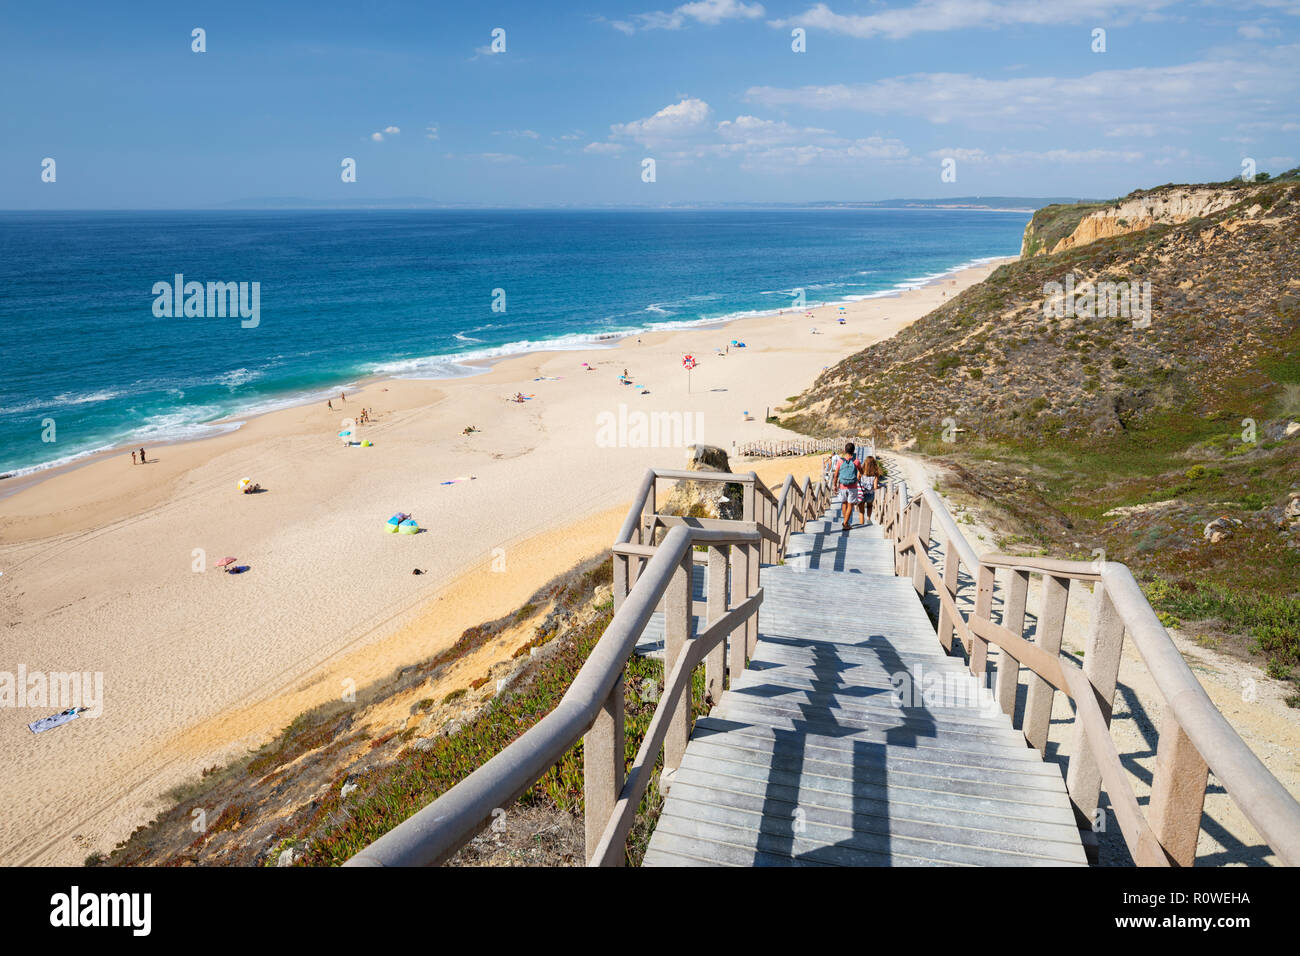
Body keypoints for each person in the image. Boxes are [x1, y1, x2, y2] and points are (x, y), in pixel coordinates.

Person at [830, 442, 861, 531]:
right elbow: (861, 471)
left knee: (844, 503)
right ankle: (845, 523)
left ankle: (846, 522)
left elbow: (836, 475)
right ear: (853, 451)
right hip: (853, 486)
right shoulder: (856, 461)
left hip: (842, 485)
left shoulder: (840, 461)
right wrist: (858, 476)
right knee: (850, 505)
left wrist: (835, 485)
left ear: (845, 450)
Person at [859, 456, 882, 526]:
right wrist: (880, 486)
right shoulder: (875, 474)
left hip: (861, 493)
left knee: (861, 510)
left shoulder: (861, 472)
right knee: (869, 506)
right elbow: (875, 487)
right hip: (870, 494)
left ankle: (862, 523)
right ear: (874, 464)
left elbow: (857, 481)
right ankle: (868, 518)